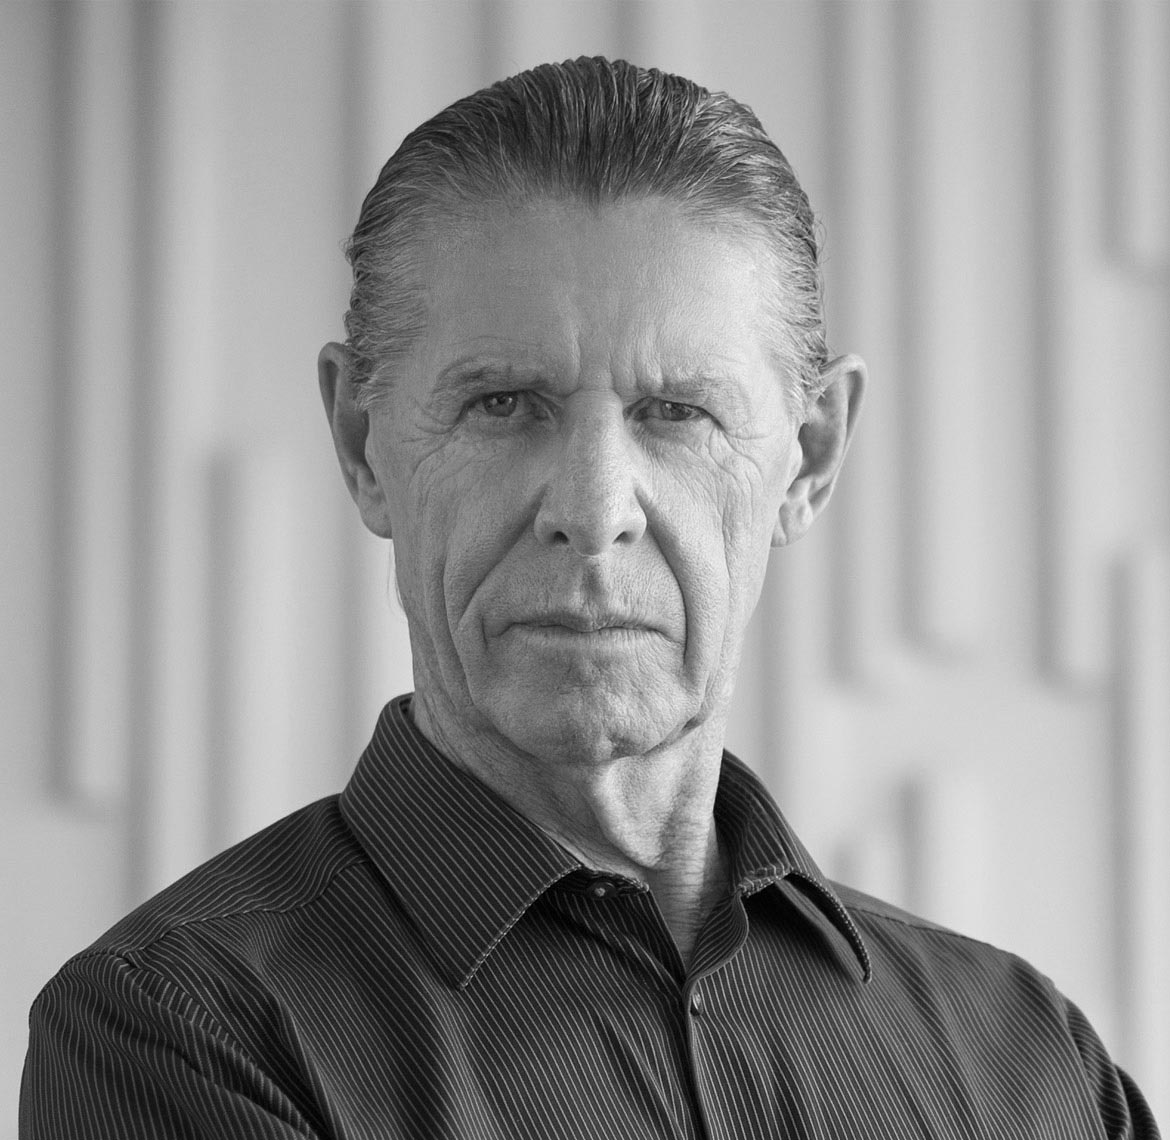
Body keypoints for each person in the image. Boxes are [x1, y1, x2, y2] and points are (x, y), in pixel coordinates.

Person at [20, 56, 1160, 1139]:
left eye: (679, 413)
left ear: (810, 457)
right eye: (503, 404)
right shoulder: (183, 1030)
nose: (593, 507)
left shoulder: (1032, 1062)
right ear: (363, 443)